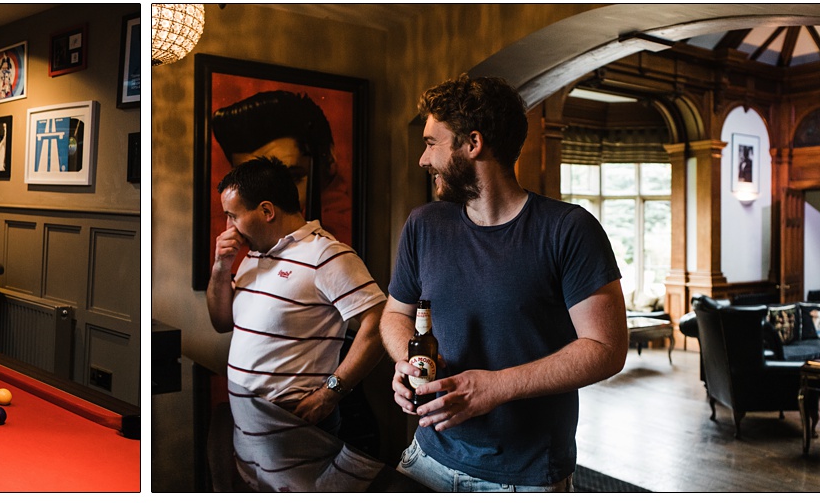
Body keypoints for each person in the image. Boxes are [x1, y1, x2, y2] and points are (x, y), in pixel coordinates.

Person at [380, 74, 627, 492]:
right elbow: (394, 313)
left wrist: (496, 386)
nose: (423, 160)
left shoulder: (568, 230)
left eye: (430, 143)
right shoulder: (424, 224)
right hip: (428, 458)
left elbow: (607, 349)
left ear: (472, 143)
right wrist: (409, 362)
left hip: (526, 478)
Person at [206, 156, 386, 432]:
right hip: (246, 418)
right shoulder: (252, 254)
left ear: (267, 211)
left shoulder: (326, 254)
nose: (229, 227)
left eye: (233, 215)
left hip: (296, 422)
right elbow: (221, 324)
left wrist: (330, 393)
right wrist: (221, 266)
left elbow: (378, 324)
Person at [210, 90, 353, 242]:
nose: (269, 206)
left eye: (292, 178)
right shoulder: (242, 246)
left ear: (329, 158)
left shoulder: (338, 243)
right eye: (251, 185)